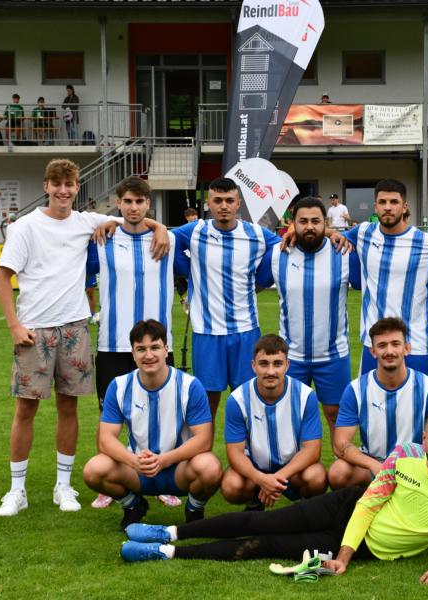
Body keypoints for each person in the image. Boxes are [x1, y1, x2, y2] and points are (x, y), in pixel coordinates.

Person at [120, 410, 428, 589]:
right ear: (424, 437)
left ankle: (165, 553)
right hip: (348, 507)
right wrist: (344, 556)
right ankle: (167, 532)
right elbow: (368, 503)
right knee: (263, 520)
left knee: (264, 545)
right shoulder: (405, 454)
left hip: (367, 546)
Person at [0, 158, 169, 517]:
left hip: (74, 327)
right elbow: (3, 277)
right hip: (35, 328)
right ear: (46, 186)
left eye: (69, 184)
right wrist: (14, 326)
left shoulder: (87, 222)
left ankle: (63, 485)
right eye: (56, 184)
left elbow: (132, 218)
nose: (63, 190)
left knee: (68, 407)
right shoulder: (25, 227)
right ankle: (16, 490)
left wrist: (160, 226)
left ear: (76, 187)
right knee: (25, 409)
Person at [84, 176, 177, 508]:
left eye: (140, 202)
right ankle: (110, 479)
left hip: (157, 347)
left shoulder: (170, 239)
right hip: (112, 344)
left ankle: (161, 479)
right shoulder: (102, 238)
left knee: (161, 416)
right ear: (118, 203)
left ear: (148, 204)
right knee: (109, 416)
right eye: (128, 201)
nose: (134, 207)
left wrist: (160, 227)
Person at [82, 319, 222, 528]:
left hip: (178, 469)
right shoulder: (119, 386)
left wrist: (164, 460)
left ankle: (194, 509)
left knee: (210, 467)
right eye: (141, 349)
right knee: (93, 470)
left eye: (155, 347)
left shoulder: (189, 386)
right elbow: (105, 439)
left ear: (166, 350)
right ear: (132, 353)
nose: (148, 355)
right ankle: (133, 506)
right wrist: (133, 461)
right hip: (138, 470)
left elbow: (204, 439)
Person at [168, 177, 281, 420]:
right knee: (207, 401)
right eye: (217, 200)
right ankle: (203, 446)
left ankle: (247, 446)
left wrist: (261, 280)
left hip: (245, 330)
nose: (224, 206)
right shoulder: (196, 230)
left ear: (238, 203)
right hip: (207, 332)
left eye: (229, 200)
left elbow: (283, 245)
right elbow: (166, 237)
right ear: (209, 203)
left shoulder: (255, 234)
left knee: (248, 400)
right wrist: (186, 270)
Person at [255, 197, 355, 437]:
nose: (309, 226)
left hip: (333, 355)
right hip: (291, 357)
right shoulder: (277, 254)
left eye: (315, 221)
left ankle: (340, 463)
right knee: (289, 417)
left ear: (325, 223)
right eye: (303, 221)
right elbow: (250, 286)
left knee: (335, 414)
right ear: (293, 223)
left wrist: (333, 234)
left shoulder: (343, 253)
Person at [336, 179, 428, 377]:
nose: (388, 207)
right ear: (375, 206)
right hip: (374, 345)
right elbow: (331, 235)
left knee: (417, 398)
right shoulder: (362, 233)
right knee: (370, 397)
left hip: (415, 345)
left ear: (404, 206)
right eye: (382, 202)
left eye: (394, 202)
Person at [329, 317, 428, 489]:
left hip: (415, 467)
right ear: (373, 351)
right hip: (373, 465)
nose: (389, 351)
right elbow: (340, 444)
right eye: (382, 345)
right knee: (338, 472)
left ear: (406, 349)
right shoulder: (356, 389)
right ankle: (364, 502)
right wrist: (374, 465)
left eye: (395, 344)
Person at [222, 334, 326, 510]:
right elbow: (235, 454)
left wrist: (277, 478)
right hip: (255, 470)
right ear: (253, 366)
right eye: (264, 364)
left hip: (293, 470)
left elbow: (312, 450)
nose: (270, 371)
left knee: (316, 477)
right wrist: (261, 479)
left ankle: (303, 510)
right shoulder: (237, 399)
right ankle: (254, 501)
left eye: (277, 364)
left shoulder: (305, 396)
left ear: (287, 365)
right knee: (231, 485)